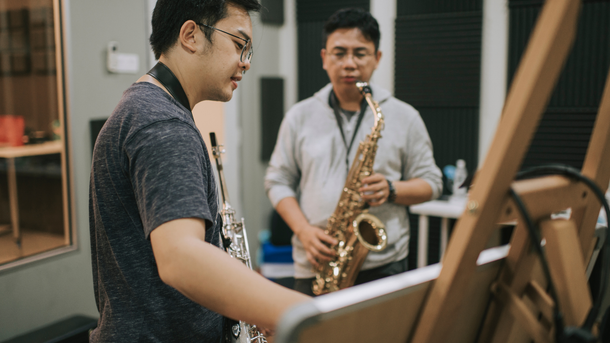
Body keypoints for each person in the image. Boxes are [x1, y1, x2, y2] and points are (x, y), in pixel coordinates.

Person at [89, 0, 309, 341]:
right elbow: (181, 258)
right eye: (239, 44)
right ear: (191, 35)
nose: (245, 63)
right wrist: (300, 313)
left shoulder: (144, 108)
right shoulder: (162, 122)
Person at [264, 8, 443, 296]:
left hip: (384, 264)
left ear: (377, 59)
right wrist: (303, 231)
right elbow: (277, 180)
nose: (349, 63)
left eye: (360, 53)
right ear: (324, 58)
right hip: (315, 262)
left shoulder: (405, 116)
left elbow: (432, 183)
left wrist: (391, 189)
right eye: (339, 53)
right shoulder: (299, 116)